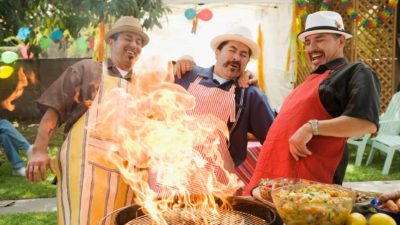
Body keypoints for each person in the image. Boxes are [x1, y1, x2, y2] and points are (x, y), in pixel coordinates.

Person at [26, 16, 149, 225]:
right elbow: (54, 110)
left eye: (139, 42)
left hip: (128, 175)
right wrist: (39, 149)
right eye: (129, 38)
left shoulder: (145, 86)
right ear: (111, 42)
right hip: (86, 169)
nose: (134, 45)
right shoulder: (88, 69)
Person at [244, 11, 380, 195]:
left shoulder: (355, 72)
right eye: (308, 42)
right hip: (271, 182)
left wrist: (311, 128)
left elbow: (366, 123)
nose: (311, 48)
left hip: (307, 188)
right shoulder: (307, 82)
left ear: (341, 41)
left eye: (320, 39)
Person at [174, 26, 276, 184]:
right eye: (232, 50)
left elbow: (273, 140)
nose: (236, 57)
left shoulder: (249, 94)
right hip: (175, 175)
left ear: (247, 62)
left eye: (243, 54)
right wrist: (182, 58)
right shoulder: (188, 75)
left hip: (216, 183)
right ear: (217, 52)